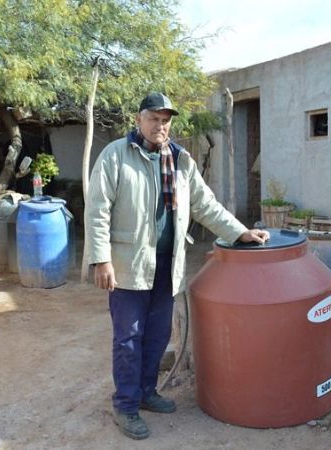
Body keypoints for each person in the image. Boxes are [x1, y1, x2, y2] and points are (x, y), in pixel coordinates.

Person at [85, 92, 270, 440]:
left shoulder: (180, 160)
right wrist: (101, 259)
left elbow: (206, 205)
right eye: (154, 118)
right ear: (139, 119)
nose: (160, 125)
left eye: (165, 119)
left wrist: (240, 232)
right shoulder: (116, 156)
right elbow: (97, 210)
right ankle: (125, 405)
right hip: (129, 265)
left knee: (158, 335)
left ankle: (146, 392)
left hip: (168, 264)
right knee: (128, 338)